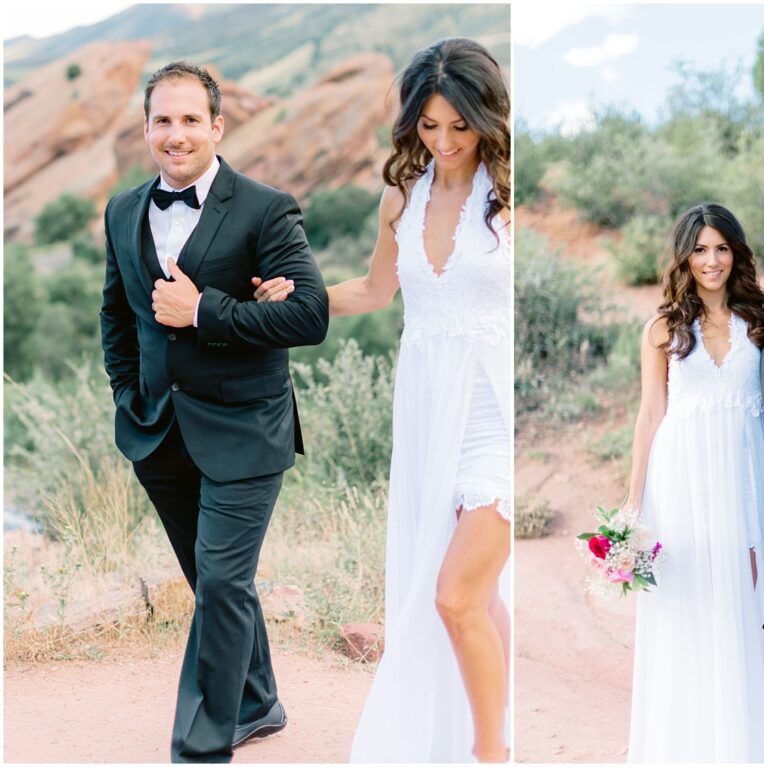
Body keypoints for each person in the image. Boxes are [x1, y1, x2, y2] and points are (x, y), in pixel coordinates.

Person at [254, 37, 511, 762]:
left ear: (486, 116)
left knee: (456, 596)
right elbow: (374, 291)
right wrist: (294, 298)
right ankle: (501, 733)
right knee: (482, 599)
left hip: (497, 411)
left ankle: (493, 752)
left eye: (460, 126)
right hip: (430, 410)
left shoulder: (518, 193)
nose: (445, 141)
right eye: (429, 126)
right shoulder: (402, 197)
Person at [100, 62, 329, 762]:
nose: (177, 135)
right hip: (158, 431)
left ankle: (201, 745)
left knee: (223, 582)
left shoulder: (264, 208)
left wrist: (206, 309)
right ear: (146, 129)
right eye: (163, 121)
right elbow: (117, 312)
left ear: (218, 126)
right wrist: (126, 393)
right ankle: (258, 700)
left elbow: (309, 312)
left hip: (246, 429)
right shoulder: (122, 209)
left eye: (191, 119)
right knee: (215, 581)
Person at [622, 203, 764, 762]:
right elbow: (649, 416)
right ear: (684, 256)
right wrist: (632, 505)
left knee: (750, 602)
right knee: (691, 609)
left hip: (747, 477)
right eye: (700, 249)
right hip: (681, 479)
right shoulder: (662, 328)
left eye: (722, 248)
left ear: (737, 253)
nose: (712, 261)